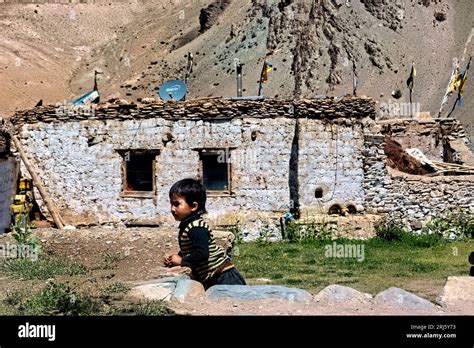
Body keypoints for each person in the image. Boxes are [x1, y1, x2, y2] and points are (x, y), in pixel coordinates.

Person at [164, 178, 246, 290]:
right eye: (171, 204)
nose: (172, 209)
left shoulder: (196, 227)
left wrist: (181, 261)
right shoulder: (189, 225)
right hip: (215, 277)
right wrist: (177, 257)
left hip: (224, 277)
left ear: (193, 206)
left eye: (176, 204)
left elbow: (202, 253)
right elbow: (193, 249)